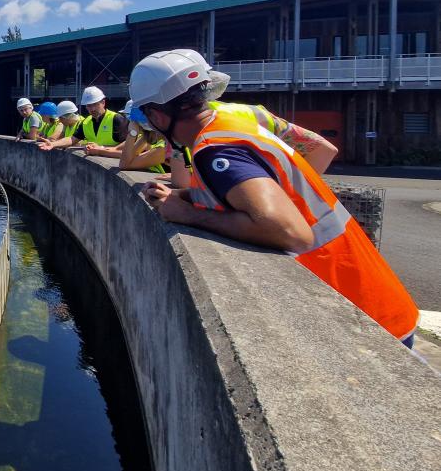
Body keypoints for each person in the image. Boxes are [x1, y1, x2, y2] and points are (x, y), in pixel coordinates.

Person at [131, 49, 419, 346]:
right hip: (374, 303)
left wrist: (187, 214)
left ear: (156, 115)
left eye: (145, 116)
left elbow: (289, 232)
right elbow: (244, 192)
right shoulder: (231, 128)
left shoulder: (216, 150)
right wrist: (185, 196)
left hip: (363, 317)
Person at [119, 100, 170, 175]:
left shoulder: (164, 146)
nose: (132, 122)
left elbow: (124, 164)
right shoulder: (147, 138)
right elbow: (129, 156)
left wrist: (132, 134)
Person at [76, 86, 127, 157]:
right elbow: (72, 139)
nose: (92, 109)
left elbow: (129, 144)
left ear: (103, 103)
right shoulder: (86, 122)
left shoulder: (116, 119)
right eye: (89, 106)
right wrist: (54, 144)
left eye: (95, 104)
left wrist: (101, 148)